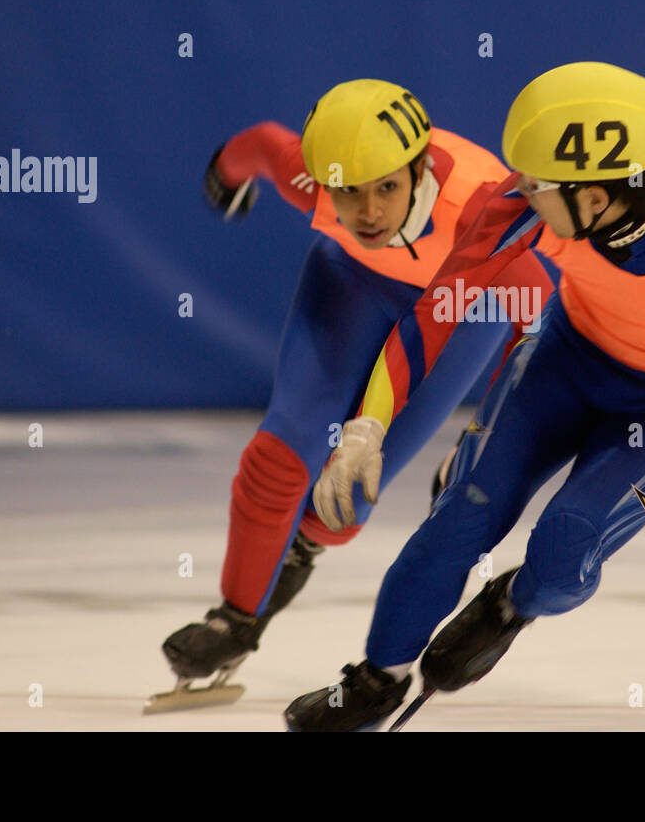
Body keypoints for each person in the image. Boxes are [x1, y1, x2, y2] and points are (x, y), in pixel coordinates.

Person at [283, 62, 645, 730]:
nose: (515, 193)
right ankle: (375, 681)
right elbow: (438, 309)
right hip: (569, 358)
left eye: (534, 185)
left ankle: (513, 604)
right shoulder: (528, 203)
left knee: (564, 551)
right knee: (460, 517)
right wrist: (367, 426)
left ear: (592, 198)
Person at [151, 79, 553, 710]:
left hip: (461, 308)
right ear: (323, 182)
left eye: (387, 187)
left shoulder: (481, 210)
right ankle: (234, 619)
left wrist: (486, 439)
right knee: (282, 454)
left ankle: (304, 544)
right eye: (348, 192)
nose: (368, 212)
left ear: (419, 168)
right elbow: (260, 144)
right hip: (351, 283)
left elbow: (538, 336)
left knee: (343, 503)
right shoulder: (309, 179)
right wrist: (226, 175)